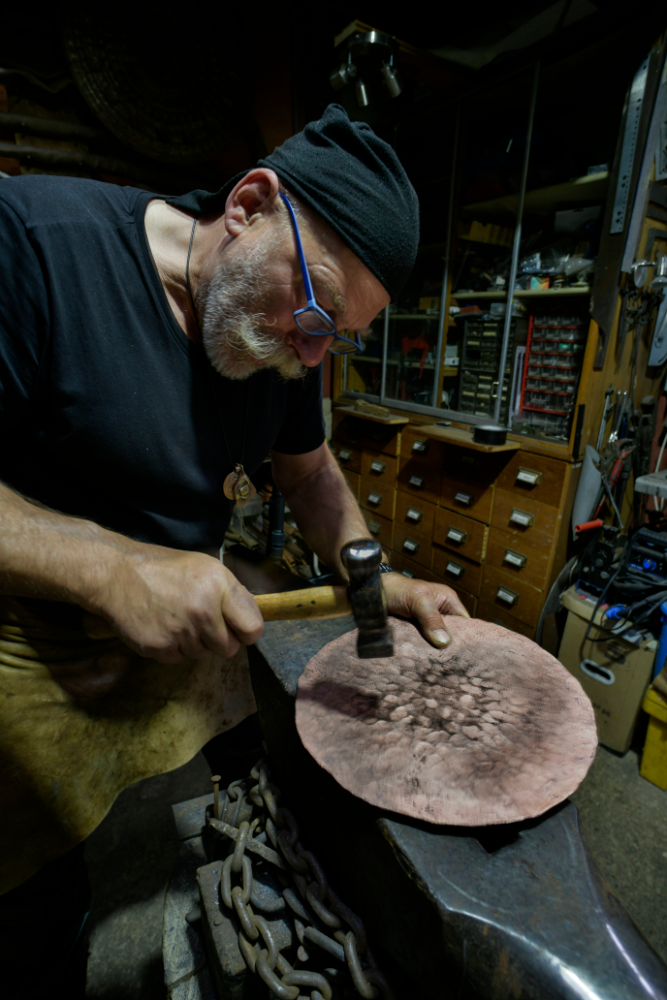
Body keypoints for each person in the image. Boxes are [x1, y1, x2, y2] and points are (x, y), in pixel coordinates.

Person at [0, 104, 467, 994]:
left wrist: (376, 577)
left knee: (273, 779)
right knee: (35, 902)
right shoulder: (33, 246)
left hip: (188, 619)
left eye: (340, 335)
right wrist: (110, 567)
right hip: (25, 647)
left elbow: (310, 474)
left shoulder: (291, 344)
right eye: (316, 306)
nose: (311, 348)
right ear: (250, 202)